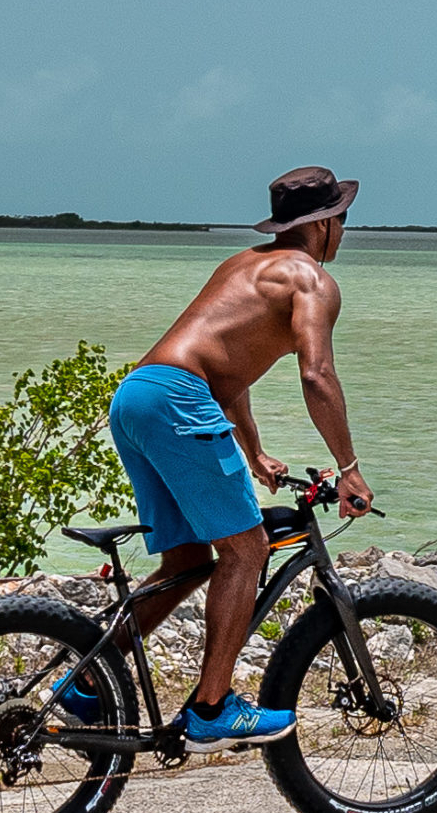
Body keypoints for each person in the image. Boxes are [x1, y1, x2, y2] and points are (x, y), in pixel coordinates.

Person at [75, 165, 376, 751]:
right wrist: (348, 468)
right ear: (323, 225)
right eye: (342, 219)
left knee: (187, 560)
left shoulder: (241, 265)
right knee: (246, 549)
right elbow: (317, 374)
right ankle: (212, 707)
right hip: (181, 401)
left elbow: (226, 370)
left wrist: (253, 450)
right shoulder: (309, 280)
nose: (343, 231)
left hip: (138, 396)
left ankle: (87, 683)